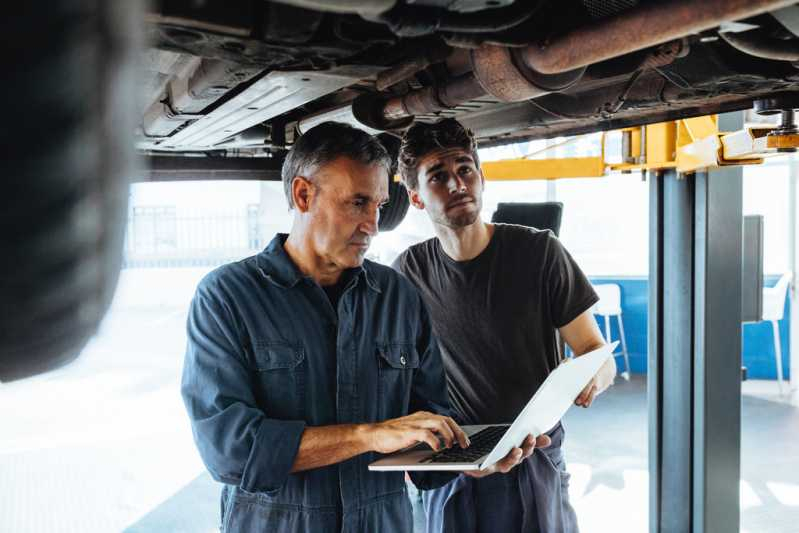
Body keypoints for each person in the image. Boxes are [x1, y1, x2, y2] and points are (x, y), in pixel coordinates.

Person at [180, 121, 538, 533]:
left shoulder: (398, 297)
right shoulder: (228, 296)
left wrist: (472, 458)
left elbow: (426, 427)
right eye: (357, 203)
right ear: (303, 194)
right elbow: (228, 451)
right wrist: (368, 436)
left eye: (380, 206)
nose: (372, 224)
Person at [393, 118, 617, 533]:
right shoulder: (409, 271)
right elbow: (401, 377)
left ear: (482, 176)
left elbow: (596, 354)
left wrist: (593, 378)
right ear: (416, 198)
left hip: (534, 453)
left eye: (465, 169)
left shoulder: (539, 252)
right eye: (438, 176)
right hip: (459, 462)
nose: (457, 183)